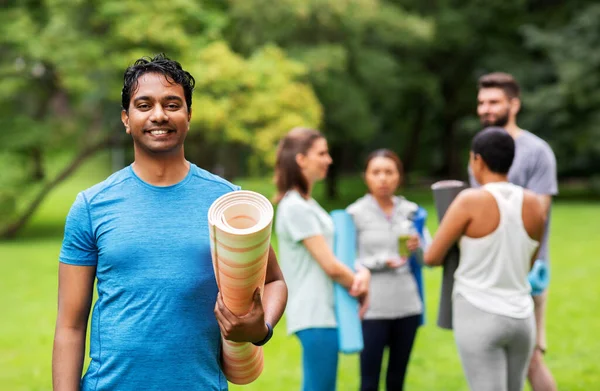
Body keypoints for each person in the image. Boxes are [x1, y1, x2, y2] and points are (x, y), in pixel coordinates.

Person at [52, 54, 288, 391]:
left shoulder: (228, 202)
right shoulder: (91, 206)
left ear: (189, 115)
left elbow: (275, 281)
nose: (159, 115)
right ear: (126, 117)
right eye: (144, 105)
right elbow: (70, 326)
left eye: (172, 104)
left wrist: (259, 327)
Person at [425, 127, 546, 391]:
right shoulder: (536, 205)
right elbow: (528, 262)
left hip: (478, 312)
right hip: (521, 317)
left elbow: (432, 257)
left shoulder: (470, 200)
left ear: (477, 160)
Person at [474, 72, 558, 391]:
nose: (486, 109)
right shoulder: (479, 150)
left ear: (514, 104)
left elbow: (539, 214)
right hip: (489, 274)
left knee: (531, 358)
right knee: (495, 358)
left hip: (528, 271)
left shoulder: (537, 151)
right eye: (481, 102)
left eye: (494, 102)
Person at [273, 127, 371, 391]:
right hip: (314, 313)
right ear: (301, 159)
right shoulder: (294, 207)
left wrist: (361, 272)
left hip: (326, 311)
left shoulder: (307, 204)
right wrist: (359, 283)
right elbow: (330, 266)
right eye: (322, 153)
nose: (329, 159)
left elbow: (336, 254)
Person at [346, 149, 428, 391]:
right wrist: (381, 261)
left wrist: (418, 246)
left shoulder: (413, 211)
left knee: (397, 380)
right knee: (369, 381)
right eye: (376, 172)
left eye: (389, 172)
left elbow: (428, 259)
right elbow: (346, 260)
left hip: (407, 306)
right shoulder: (355, 213)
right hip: (372, 308)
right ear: (366, 177)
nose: (383, 178)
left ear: (399, 177)